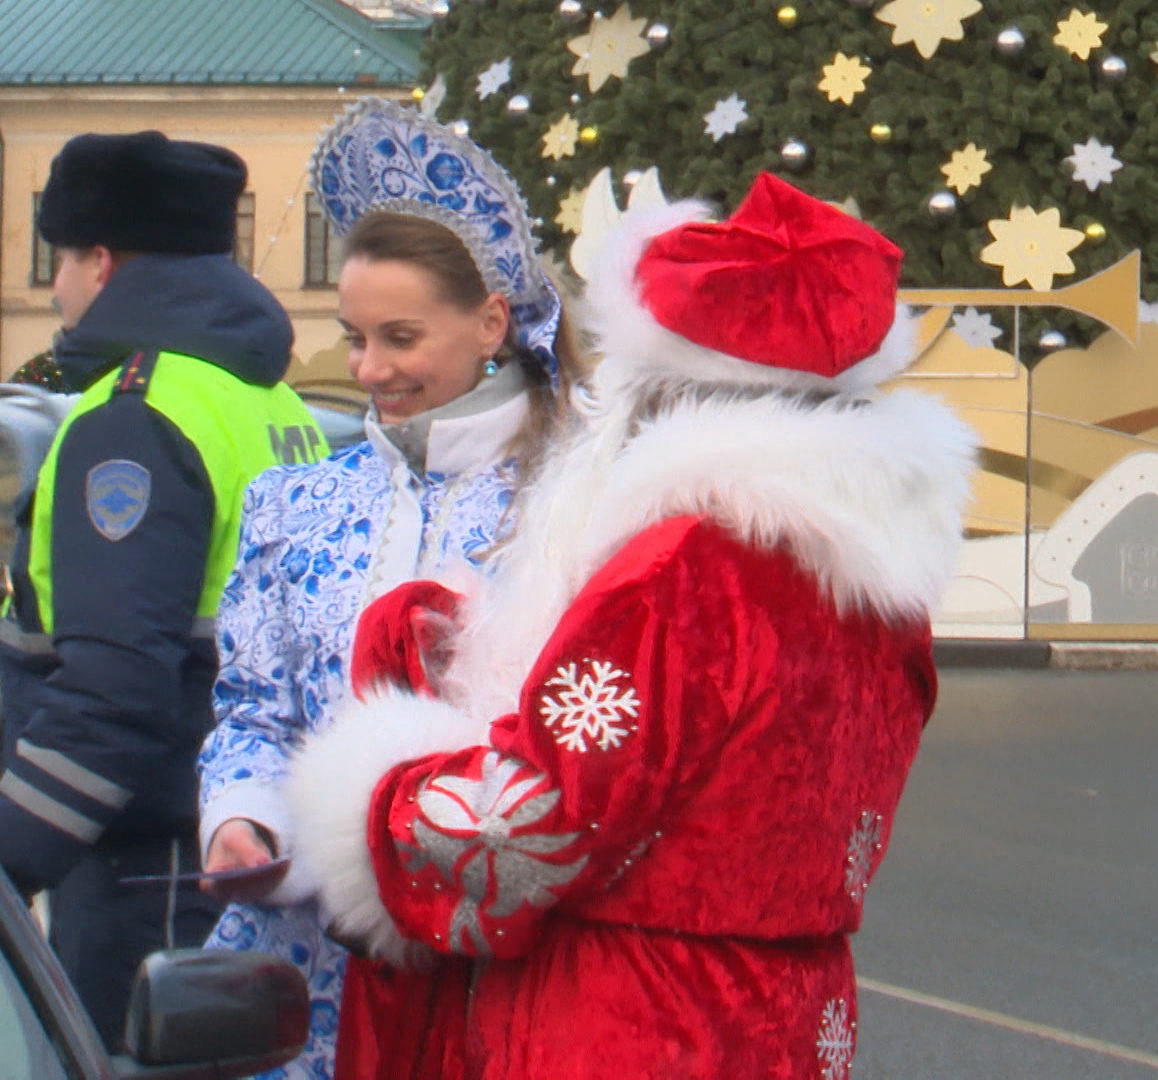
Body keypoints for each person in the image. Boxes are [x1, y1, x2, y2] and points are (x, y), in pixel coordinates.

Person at [282, 173, 978, 1078]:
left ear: (663, 392)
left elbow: (535, 825)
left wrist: (372, 794)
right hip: (792, 1016)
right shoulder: (879, 590)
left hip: (632, 1021)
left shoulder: (683, 569)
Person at [195, 98, 578, 1080]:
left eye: (400, 337)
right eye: (354, 337)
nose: (370, 369)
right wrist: (243, 819)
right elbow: (251, 712)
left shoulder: (577, 504)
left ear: (491, 320)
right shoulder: (293, 505)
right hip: (303, 972)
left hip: (492, 970)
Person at [0, 129, 327, 1050]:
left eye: (59, 259)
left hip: (145, 878)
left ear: (101, 260)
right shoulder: (271, 403)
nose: (54, 289)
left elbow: (117, 691)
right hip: (245, 850)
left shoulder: (135, 419)